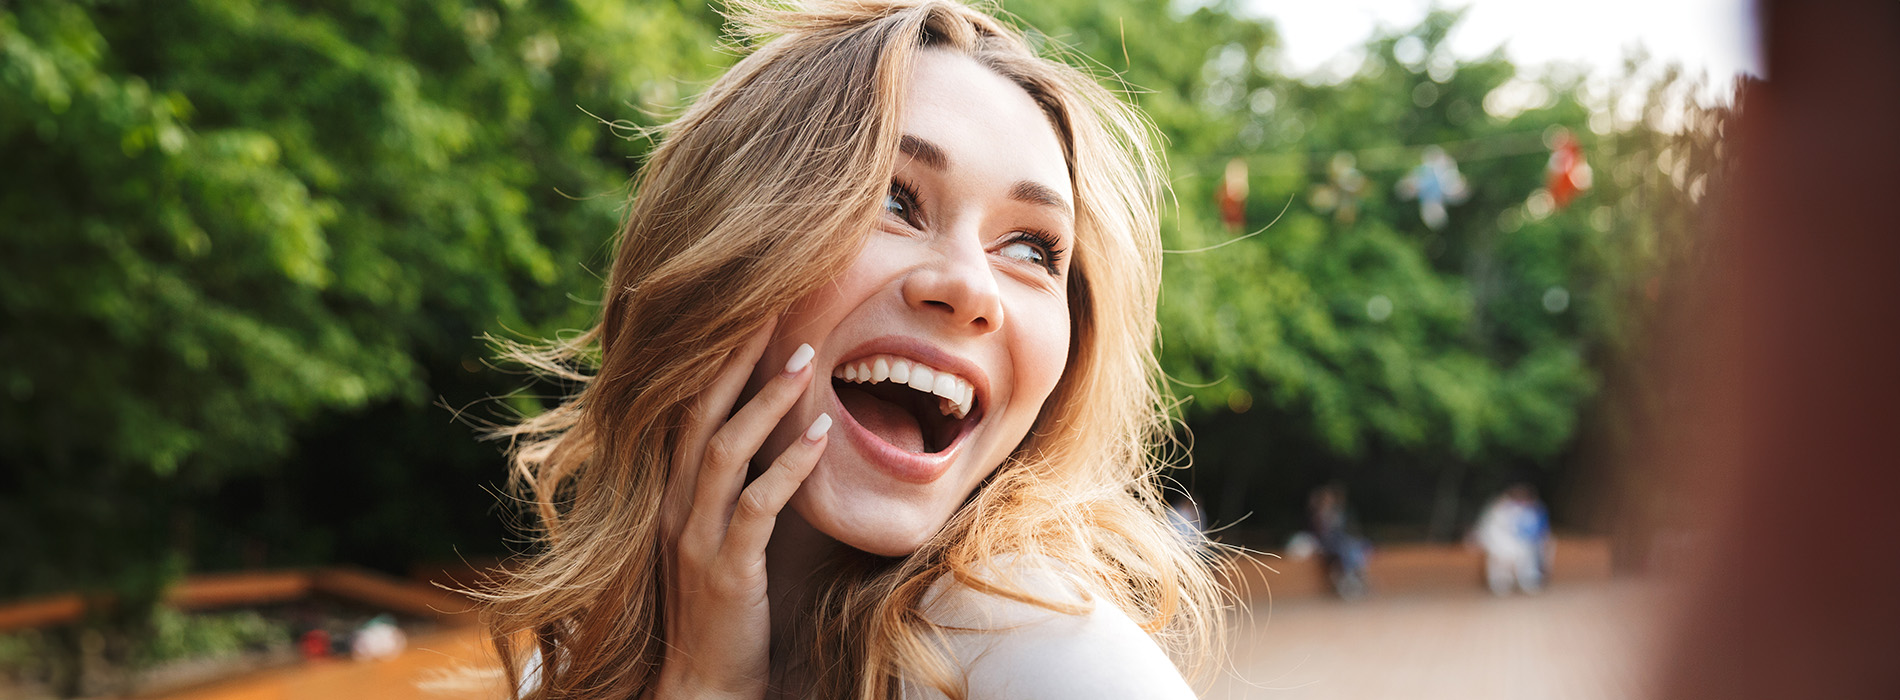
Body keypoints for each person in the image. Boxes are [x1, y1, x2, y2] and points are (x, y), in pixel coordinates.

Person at [473, 2, 1225, 698]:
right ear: (724, 253)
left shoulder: (1047, 657)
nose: (971, 288)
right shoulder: (567, 664)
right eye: (891, 201)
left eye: (1031, 247)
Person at [1471, 484, 1546, 595]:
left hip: (1516, 542)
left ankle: (1528, 583)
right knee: (1499, 564)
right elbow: (1487, 528)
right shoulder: (1499, 508)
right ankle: (1501, 584)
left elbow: (1528, 527)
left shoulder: (1522, 509)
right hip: (1498, 541)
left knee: (1525, 559)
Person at [1308, 484, 1370, 599]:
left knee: (1357, 546)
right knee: (1346, 548)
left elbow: (1346, 530)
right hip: (1330, 545)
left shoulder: (1339, 513)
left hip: (1341, 543)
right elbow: (1321, 535)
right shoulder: (1319, 516)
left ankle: (1356, 577)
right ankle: (1354, 579)